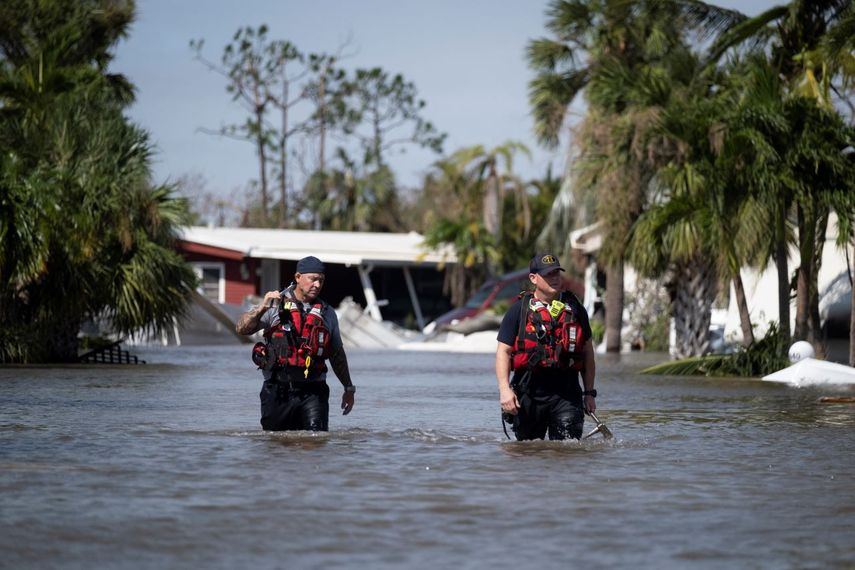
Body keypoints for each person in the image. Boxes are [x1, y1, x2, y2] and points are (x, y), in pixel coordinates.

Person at [236, 255, 356, 431]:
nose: (317, 284)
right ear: (298, 277)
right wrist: (262, 308)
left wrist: (349, 388)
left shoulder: (327, 313)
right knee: (276, 444)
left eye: (321, 280)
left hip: (314, 391)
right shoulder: (275, 305)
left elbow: (337, 354)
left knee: (315, 442)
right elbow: (241, 328)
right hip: (278, 390)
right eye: (312, 279)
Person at [494, 252, 597, 440]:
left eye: (557, 273)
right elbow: (503, 351)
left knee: (568, 451)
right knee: (529, 453)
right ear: (533, 278)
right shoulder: (519, 310)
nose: (554, 278)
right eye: (548, 274)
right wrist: (504, 390)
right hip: (529, 396)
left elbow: (588, 352)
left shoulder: (575, 308)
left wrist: (589, 393)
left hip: (567, 396)